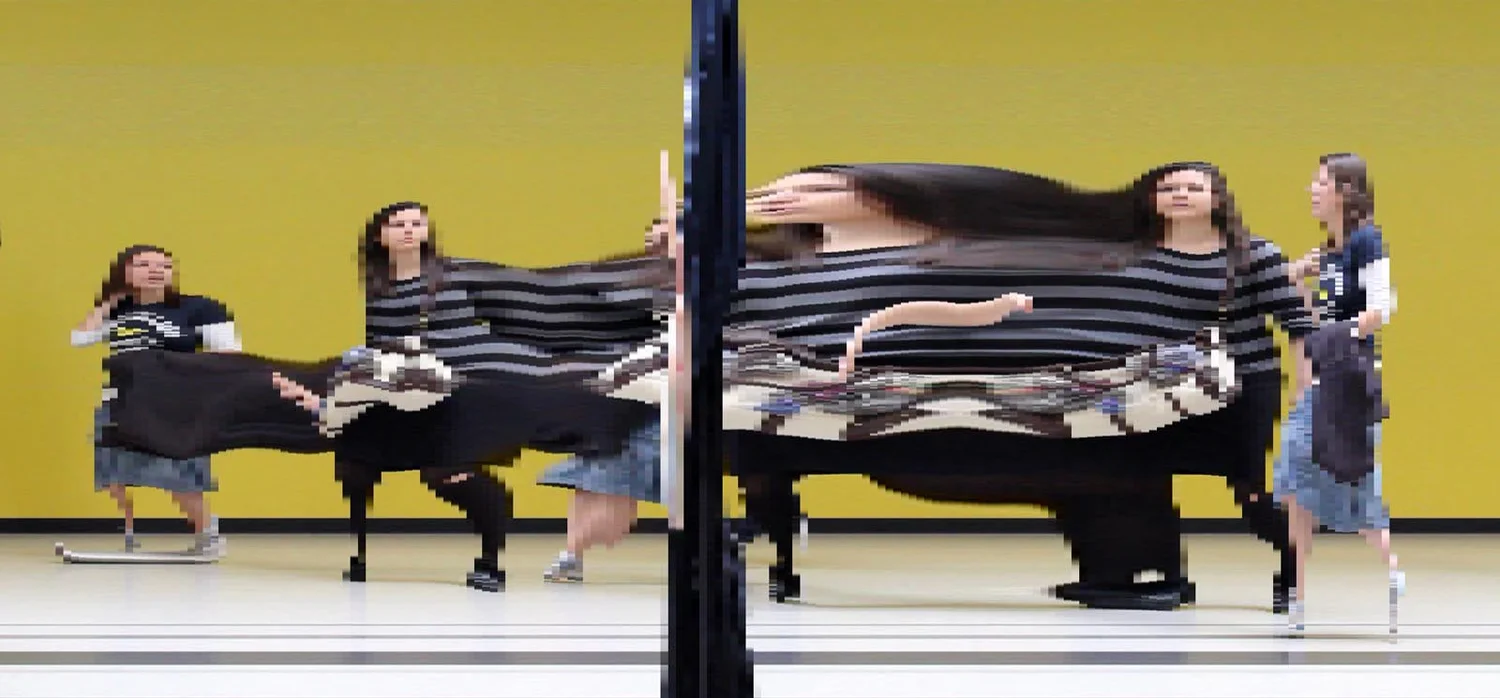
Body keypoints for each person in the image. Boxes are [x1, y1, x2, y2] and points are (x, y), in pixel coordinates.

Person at [696, 161, 1311, 612]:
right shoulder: (1127, 249)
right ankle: (1131, 575)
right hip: (1094, 391)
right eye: (1168, 187)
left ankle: (1267, 575)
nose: (783, 197)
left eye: (818, 189)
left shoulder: (1239, 255)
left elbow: (1296, 324)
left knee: (1225, 487)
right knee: (1107, 466)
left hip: (1211, 386)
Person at [104, 202, 661, 591]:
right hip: (402, 382)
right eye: (399, 224)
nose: (410, 230)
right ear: (380, 237)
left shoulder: (459, 273)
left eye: (418, 223)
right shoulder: (379, 289)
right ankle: (157, 399)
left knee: (454, 473)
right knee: (285, 394)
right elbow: (380, 346)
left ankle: (490, 562)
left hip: (464, 384)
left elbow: (538, 293)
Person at [1274, 152, 1402, 634]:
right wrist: (1298, 278)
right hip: (1322, 375)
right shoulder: (1329, 251)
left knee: (1350, 476)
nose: (1312, 189)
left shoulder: (1367, 242)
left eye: (1320, 181)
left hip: (1349, 378)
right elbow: (1312, 316)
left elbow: (1382, 308)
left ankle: (1390, 570)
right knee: (1293, 479)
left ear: (1346, 190)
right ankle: (1298, 593)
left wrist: (1336, 335)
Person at [71, 244, 242, 557]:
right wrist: (109, 302)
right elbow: (79, 338)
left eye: (163, 266)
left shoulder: (200, 308)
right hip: (121, 403)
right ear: (125, 272)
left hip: (173, 404)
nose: (155, 271)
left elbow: (229, 354)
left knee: (179, 475)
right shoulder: (120, 311)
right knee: (113, 472)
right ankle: (129, 535)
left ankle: (207, 534)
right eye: (144, 265)